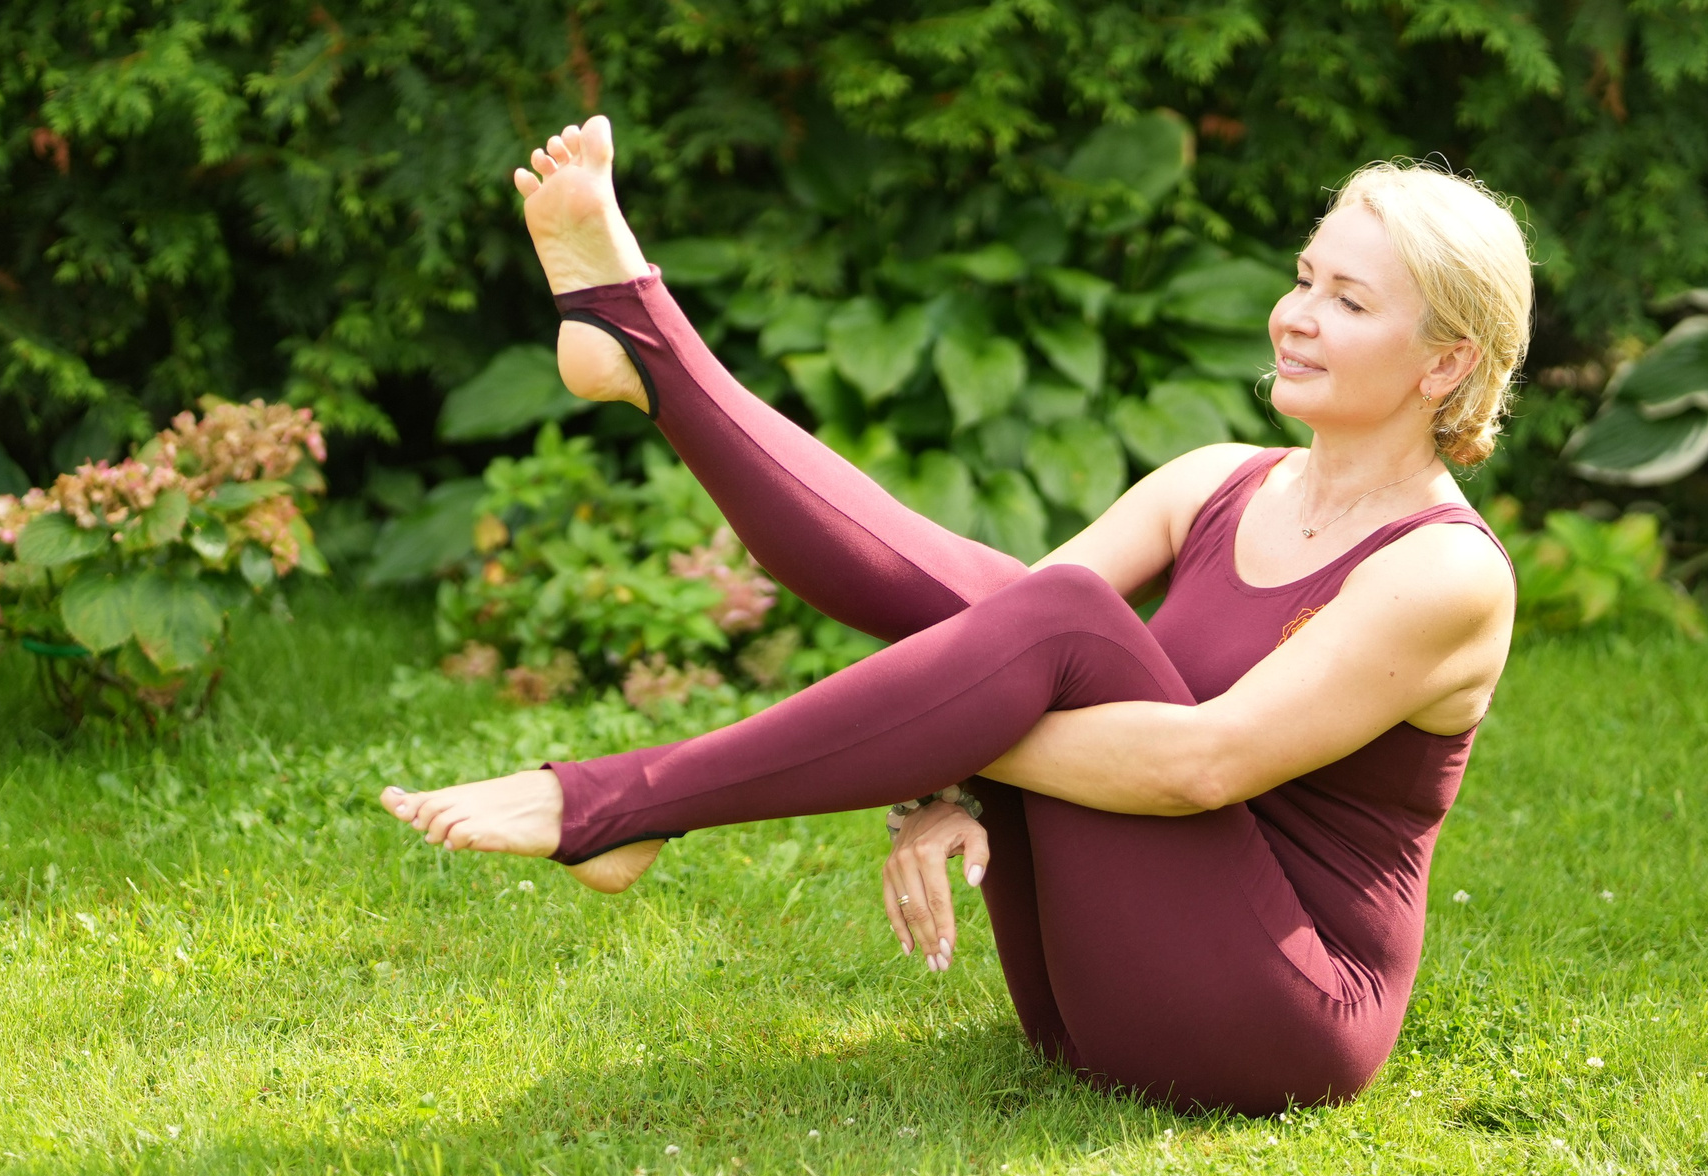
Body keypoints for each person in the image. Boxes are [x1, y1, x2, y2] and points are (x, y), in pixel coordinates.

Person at [383, 116, 1528, 1115]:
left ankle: (620, 796)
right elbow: (985, 644)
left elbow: (1200, 766)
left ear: (1446, 365)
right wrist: (944, 777)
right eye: (1303, 279)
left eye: (1348, 301)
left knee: (1064, 620)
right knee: (1035, 610)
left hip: (1273, 1020)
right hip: (1089, 1004)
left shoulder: (1442, 572)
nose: (1297, 317)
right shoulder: (1218, 479)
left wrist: (947, 737)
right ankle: (644, 345)